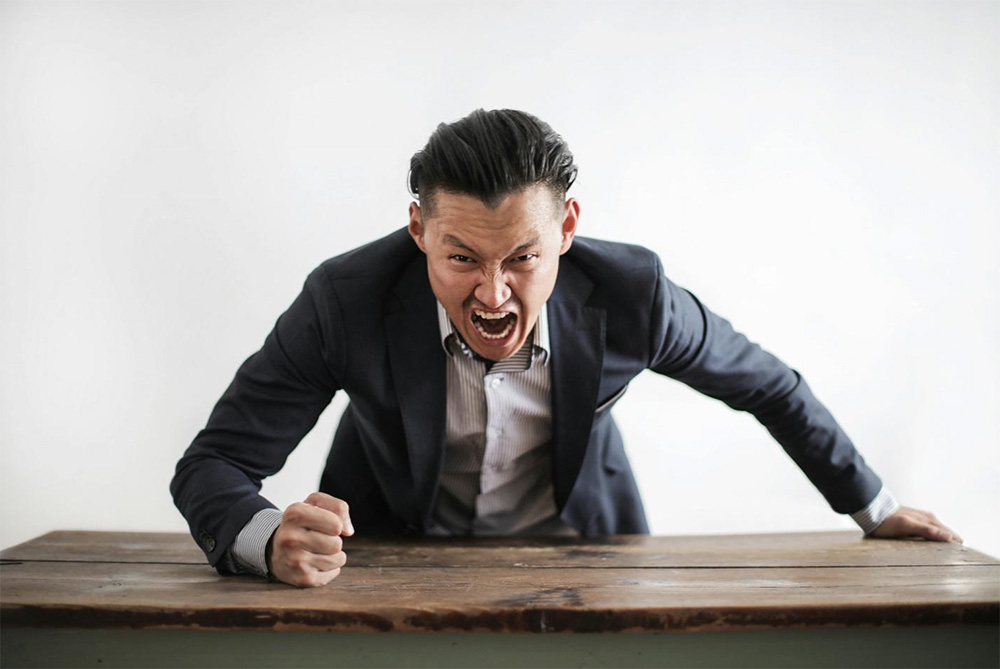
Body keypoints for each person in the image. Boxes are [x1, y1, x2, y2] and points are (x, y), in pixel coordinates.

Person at [170, 108, 962, 588]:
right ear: (418, 231)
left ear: (567, 230)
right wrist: (266, 539)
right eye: (461, 257)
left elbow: (769, 385)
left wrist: (874, 506)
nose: (493, 294)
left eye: (522, 257)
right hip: (388, 558)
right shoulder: (344, 301)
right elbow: (213, 463)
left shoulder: (634, 295)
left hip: (585, 555)